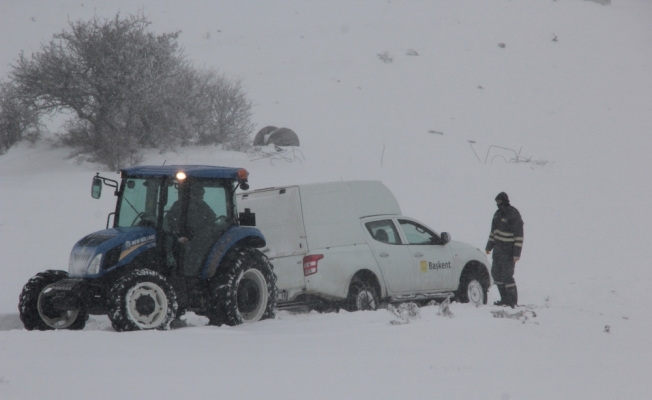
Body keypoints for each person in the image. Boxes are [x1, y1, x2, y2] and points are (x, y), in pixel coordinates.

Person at [165, 183, 219, 276]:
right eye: (198, 195)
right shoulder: (179, 205)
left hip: (198, 238)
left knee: (191, 250)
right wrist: (176, 231)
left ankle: (189, 272)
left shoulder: (202, 205)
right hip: (181, 235)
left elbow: (212, 219)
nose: (200, 197)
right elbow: (169, 219)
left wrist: (198, 229)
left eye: (200, 195)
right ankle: (175, 269)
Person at [485, 192, 524, 308]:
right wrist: (489, 246)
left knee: (507, 276)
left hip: (508, 252)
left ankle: (512, 302)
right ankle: (504, 299)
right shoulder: (497, 214)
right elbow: (493, 233)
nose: (498, 204)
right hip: (497, 251)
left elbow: (519, 236)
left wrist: (516, 253)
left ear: (505, 201)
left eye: (499, 202)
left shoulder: (513, 214)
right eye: (496, 202)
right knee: (496, 275)